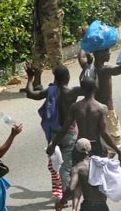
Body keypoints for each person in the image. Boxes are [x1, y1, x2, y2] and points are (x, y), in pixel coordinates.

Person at [25, 62, 83, 200]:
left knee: (59, 164)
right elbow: (91, 86)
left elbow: (31, 94)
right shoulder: (72, 92)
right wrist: (88, 67)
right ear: (68, 77)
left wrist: (30, 78)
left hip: (54, 134)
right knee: (66, 166)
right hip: (69, 133)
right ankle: (67, 196)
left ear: (55, 79)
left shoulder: (50, 91)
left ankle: (65, 190)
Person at [12, 0, 65, 90]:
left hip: (52, 18)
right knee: (38, 50)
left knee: (54, 51)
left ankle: (59, 84)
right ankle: (36, 82)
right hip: (42, 17)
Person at [46, 76, 121, 166]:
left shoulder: (75, 107)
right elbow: (104, 133)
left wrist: (53, 145)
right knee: (98, 176)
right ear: (96, 88)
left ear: (82, 89)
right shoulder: (101, 108)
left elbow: (64, 129)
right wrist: (118, 151)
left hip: (80, 146)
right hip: (96, 146)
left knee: (78, 173)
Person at [79, 46, 121, 158]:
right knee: (114, 142)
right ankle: (110, 163)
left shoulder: (88, 68)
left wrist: (86, 43)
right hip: (107, 112)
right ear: (100, 55)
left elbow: (81, 57)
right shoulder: (105, 70)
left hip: (93, 110)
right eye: (107, 52)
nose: (109, 54)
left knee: (100, 139)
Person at [55, 138, 110, 211]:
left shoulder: (78, 168)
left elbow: (72, 187)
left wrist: (62, 202)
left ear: (76, 150)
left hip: (88, 205)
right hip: (102, 205)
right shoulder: (100, 164)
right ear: (90, 149)